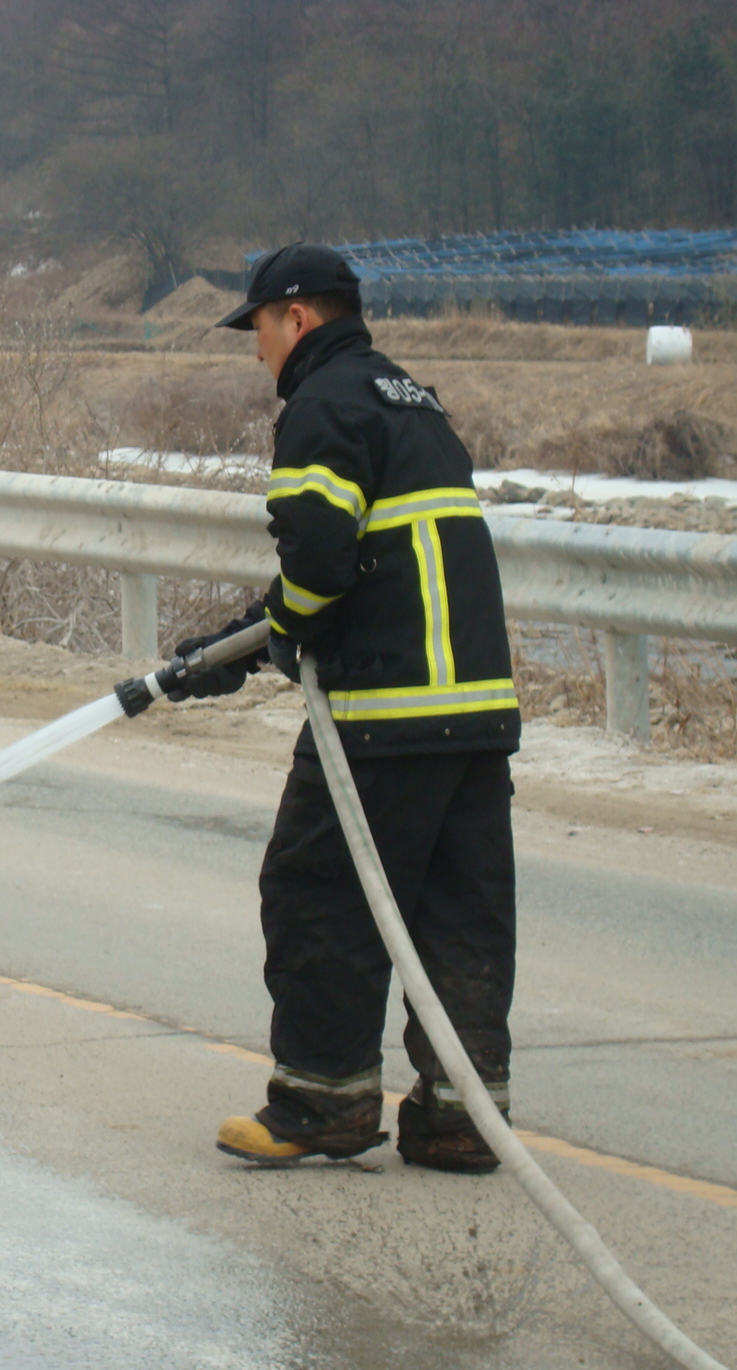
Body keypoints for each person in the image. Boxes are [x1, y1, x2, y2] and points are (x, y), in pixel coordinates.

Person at [177, 243, 520, 1173]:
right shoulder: (410, 397)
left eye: (259, 329)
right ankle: (460, 1118)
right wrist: (257, 638)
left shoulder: (321, 405)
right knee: (458, 916)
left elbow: (319, 561)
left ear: (297, 318)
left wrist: (280, 632)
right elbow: (369, 558)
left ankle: (322, 1101)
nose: (258, 351)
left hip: (386, 712)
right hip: (476, 712)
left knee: (319, 894)